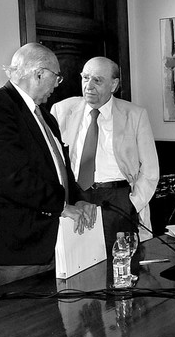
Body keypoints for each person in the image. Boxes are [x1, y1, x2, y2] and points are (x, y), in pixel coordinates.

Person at [0, 43, 96, 289]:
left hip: (49, 245)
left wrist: (78, 198)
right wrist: (62, 205)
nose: (57, 85)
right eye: (56, 77)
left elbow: (61, 170)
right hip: (14, 252)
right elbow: (11, 176)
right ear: (39, 73)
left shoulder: (45, 116)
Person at [52, 57, 159, 256]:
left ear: (114, 85)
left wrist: (132, 205)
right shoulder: (62, 110)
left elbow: (150, 171)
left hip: (116, 200)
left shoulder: (134, 115)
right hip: (76, 198)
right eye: (85, 78)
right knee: (78, 264)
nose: (88, 86)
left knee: (121, 265)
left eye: (97, 81)